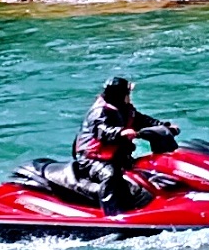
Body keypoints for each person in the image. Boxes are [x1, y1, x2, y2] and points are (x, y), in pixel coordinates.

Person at [73, 75, 174, 212]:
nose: (129, 95)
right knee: (110, 175)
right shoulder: (99, 112)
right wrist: (120, 133)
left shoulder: (125, 109)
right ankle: (112, 214)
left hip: (118, 158)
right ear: (120, 94)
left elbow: (143, 120)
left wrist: (165, 126)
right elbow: (103, 130)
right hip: (92, 160)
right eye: (127, 93)